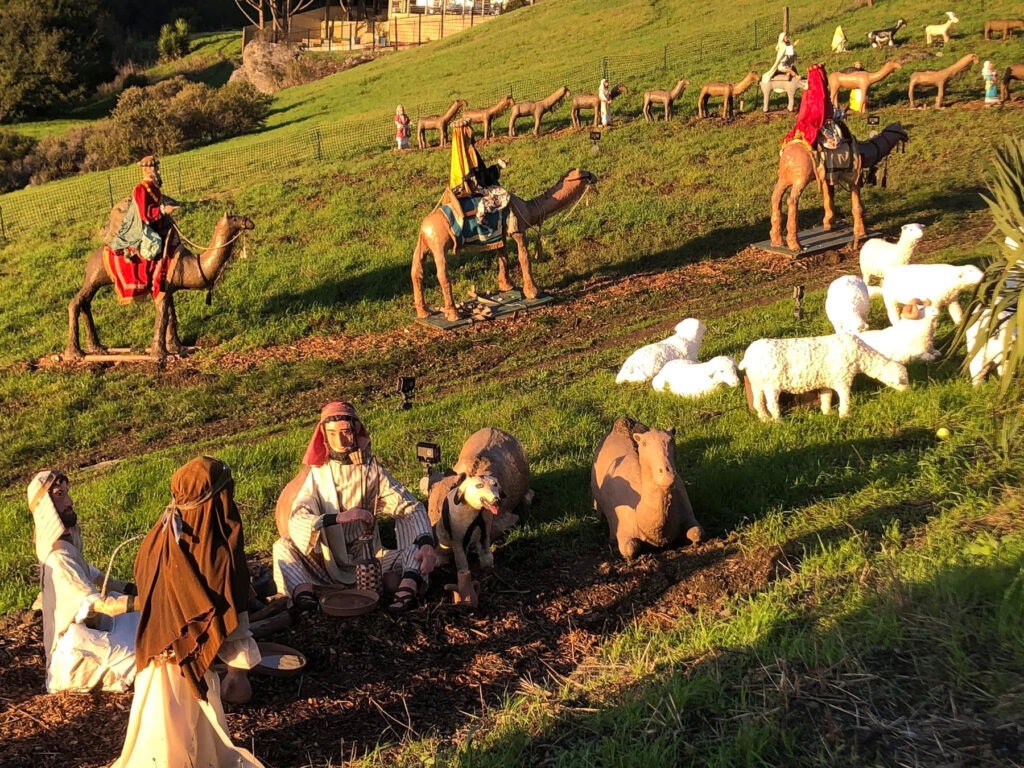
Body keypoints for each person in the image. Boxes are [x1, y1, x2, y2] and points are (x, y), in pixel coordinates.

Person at [111, 457, 263, 768]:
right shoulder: (217, 552)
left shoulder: (158, 536)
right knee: (175, 738)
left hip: (154, 655)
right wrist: (239, 669)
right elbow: (229, 609)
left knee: (167, 730)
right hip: (186, 659)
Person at [273, 402, 436, 615]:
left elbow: (410, 506)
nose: (340, 442)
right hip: (327, 564)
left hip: (370, 560)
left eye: (345, 432)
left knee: (415, 550)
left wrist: (426, 543)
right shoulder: (318, 475)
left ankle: (406, 592)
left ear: (356, 430)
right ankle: (305, 598)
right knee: (282, 547)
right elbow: (299, 515)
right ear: (324, 436)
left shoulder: (372, 471)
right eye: (332, 434)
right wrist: (336, 518)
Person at [28, 469, 140, 693]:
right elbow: (101, 605)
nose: (69, 502)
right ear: (46, 506)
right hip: (74, 653)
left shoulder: (64, 547)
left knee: (138, 619)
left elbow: (97, 576)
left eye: (67, 493)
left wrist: (132, 588)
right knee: (146, 655)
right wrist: (148, 599)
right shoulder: (58, 558)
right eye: (60, 495)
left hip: (88, 631)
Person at [108, 156, 180, 261]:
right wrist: (163, 210)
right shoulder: (140, 189)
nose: (158, 171)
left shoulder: (154, 187)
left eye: (157, 167)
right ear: (145, 170)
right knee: (155, 244)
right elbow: (144, 214)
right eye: (154, 168)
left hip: (157, 221)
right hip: (142, 225)